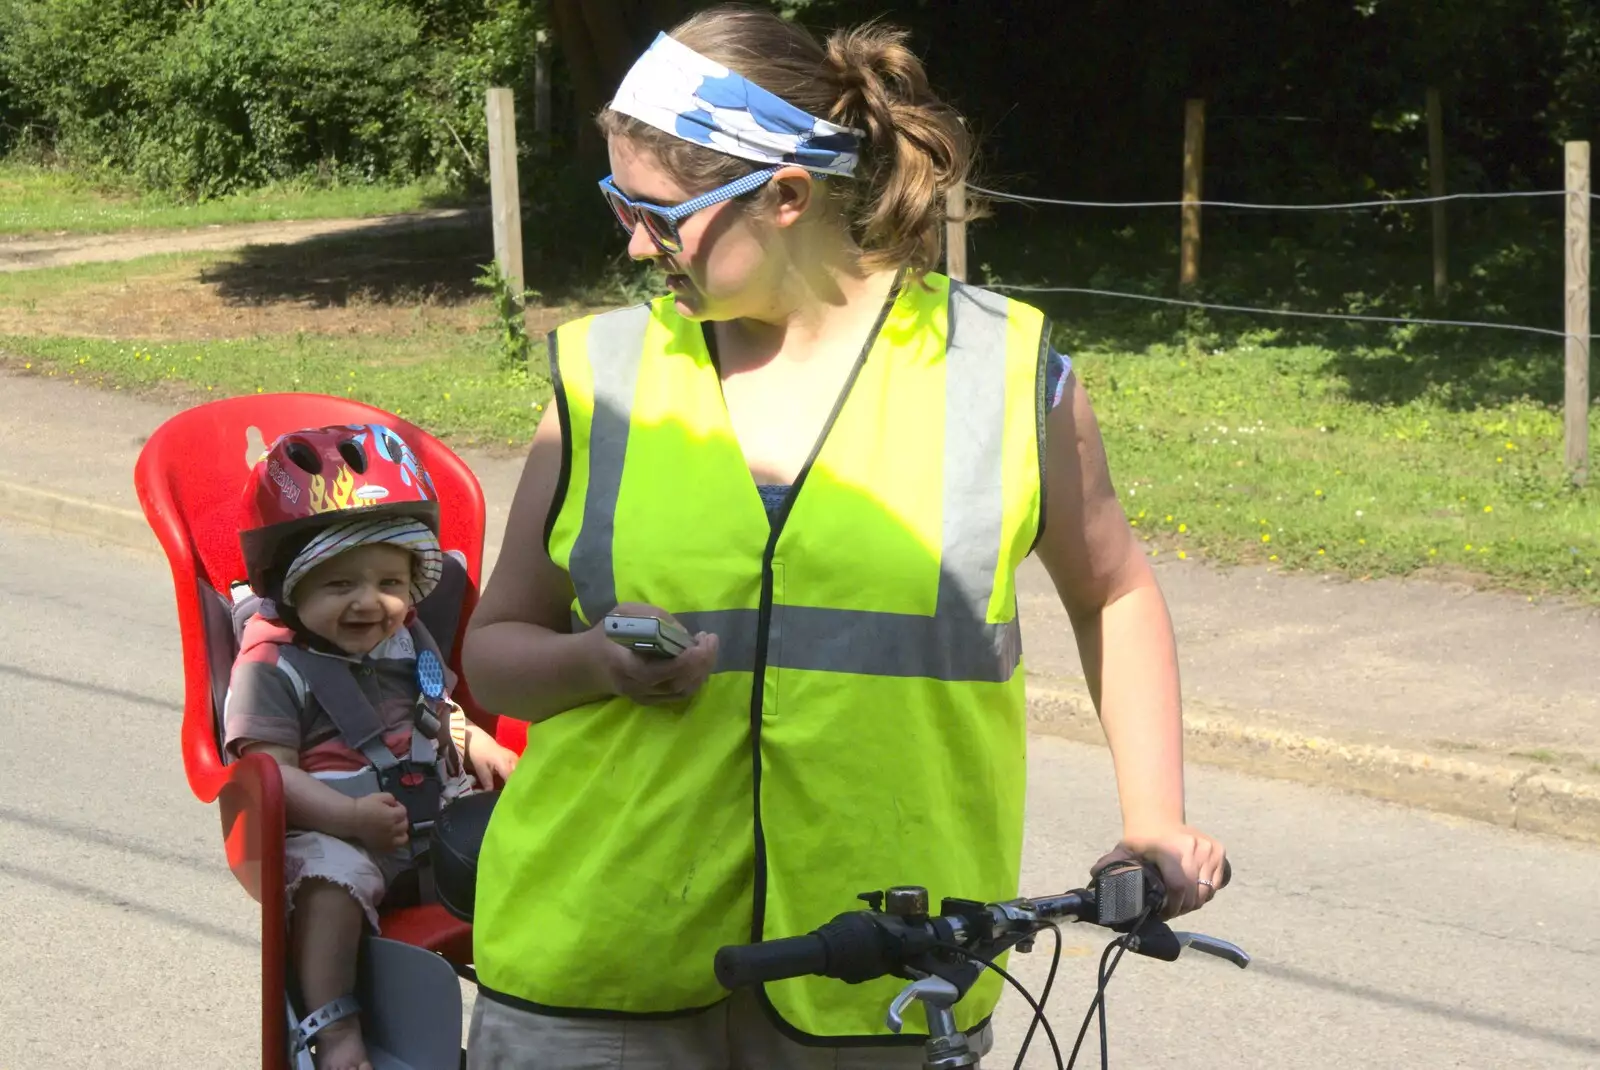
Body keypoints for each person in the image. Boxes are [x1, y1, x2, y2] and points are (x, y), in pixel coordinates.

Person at [461, 6, 1227, 1067]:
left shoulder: (998, 372)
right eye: (617, 202)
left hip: (886, 971)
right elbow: (495, 650)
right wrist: (592, 661)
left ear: (784, 195)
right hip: (598, 959)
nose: (633, 242)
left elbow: (1113, 591)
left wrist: (1154, 816)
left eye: (658, 211)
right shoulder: (604, 378)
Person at [225, 423, 519, 1070]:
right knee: (335, 883)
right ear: (288, 586)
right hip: (335, 827)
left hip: (431, 815)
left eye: (390, 581)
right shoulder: (274, 666)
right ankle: (333, 1028)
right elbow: (268, 774)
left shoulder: (409, 640)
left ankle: (533, 1002)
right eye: (339, 586)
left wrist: (483, 748)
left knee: (531, 836)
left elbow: (437, 711)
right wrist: (348, 817)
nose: (371, 603)